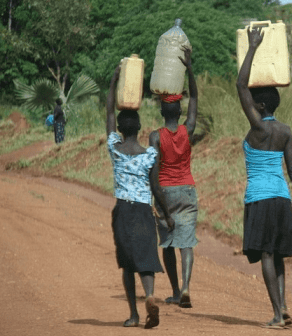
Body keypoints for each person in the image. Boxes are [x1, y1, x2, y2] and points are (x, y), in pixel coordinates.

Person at [236, 27, 292, 329]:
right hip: (282, 198)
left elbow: (240, 85)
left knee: (267, 256)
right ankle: (282, 305)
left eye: (253, 102)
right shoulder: (284, 131)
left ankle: (276, 313)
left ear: (259, 107)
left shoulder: (259, 129)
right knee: (279, 256)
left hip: (259, 198)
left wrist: (253, 46)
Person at [106, 65, 164, 329]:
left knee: (127, 262)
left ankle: (134, 314)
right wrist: (166, 214)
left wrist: (114, 83)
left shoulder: (115, 150)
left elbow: (108, 113)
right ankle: (150, 295)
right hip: (143, 209)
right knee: (147, 257)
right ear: (140, 128)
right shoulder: (150, 154)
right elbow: (156, 187)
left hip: (123, 211)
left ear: (119, 128)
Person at [149, 46, 199, 308]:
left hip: (166, 191)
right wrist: (189, 68)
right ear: (179, 114)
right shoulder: (188, 130)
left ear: (161, 113)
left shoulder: (155, 136)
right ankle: (188, 286)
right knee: (186, 242)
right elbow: (195, 101)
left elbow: (154, 173)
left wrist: (156, 200)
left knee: (168, 243)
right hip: (187, 189)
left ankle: (177, 291)